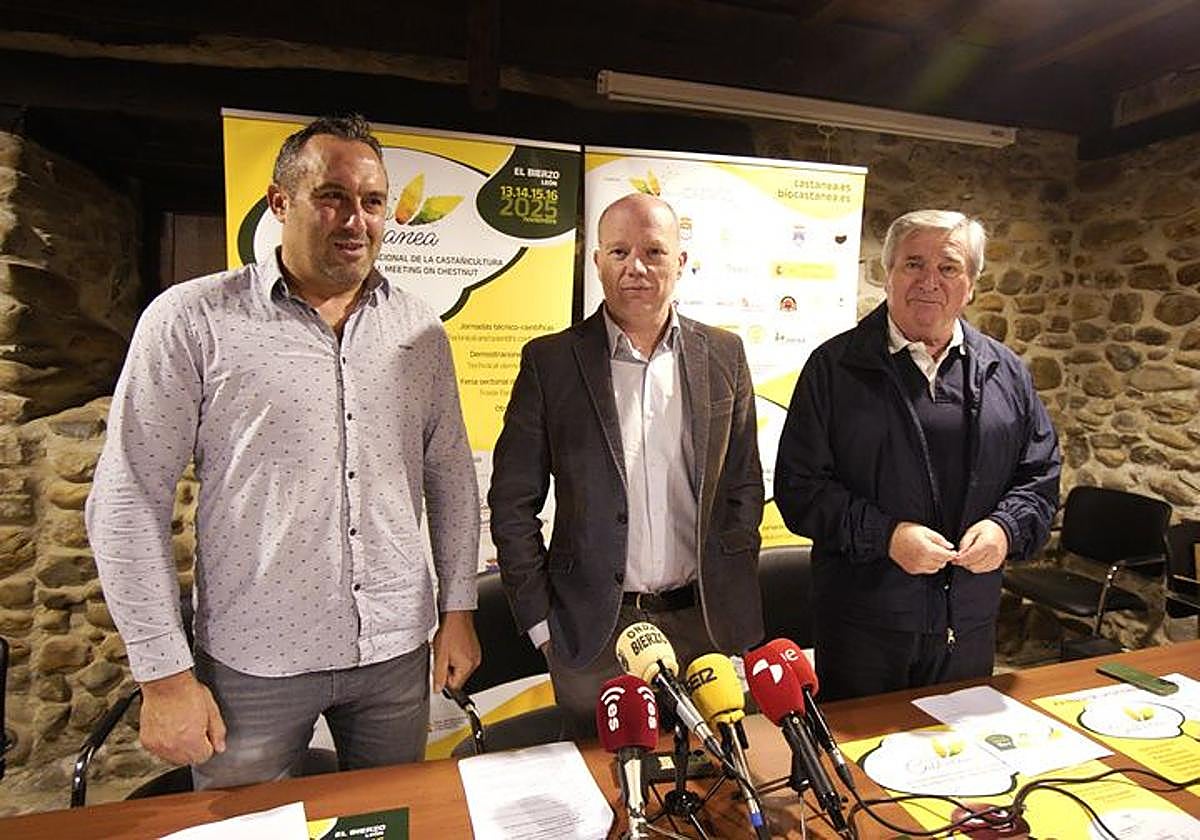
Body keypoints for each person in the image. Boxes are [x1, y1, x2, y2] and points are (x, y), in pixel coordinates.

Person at [85, 115, 481, 788]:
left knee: (386, 827)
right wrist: (164, 675)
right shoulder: (193, 320)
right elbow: (127, 499)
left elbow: (449, 477)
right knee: (247, 834)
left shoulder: (417, 329)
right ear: (280, 202)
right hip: (253, 664)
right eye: (332, 196)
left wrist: (459, 610)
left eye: (373, 201)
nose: (356, 218)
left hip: (392, 655)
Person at [488, 193, 765, 735]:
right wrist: (544, 623)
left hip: (707, 625)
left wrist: (732, 588)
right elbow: (511, 501)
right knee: (606, 792)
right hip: (593, 633)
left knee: (717, 786)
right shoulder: (551, 362)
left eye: (653, 251)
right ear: (597, 263)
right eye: (618, 252)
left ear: (681, 263)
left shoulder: (724, 354)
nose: (635, 267)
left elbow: (743, 483)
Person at [774, 209, 1060, 701]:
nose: (929, 280)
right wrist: (887, 536)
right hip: (863, 626)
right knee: (858, 767)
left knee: (960, 764)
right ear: (887, 275)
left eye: (948, 267)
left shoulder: (1006, 372)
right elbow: (800, 488)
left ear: (970, 283)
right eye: (913, 264)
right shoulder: (833, 368)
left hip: (968, 625)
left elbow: (1039, 476)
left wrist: (1006, 528)